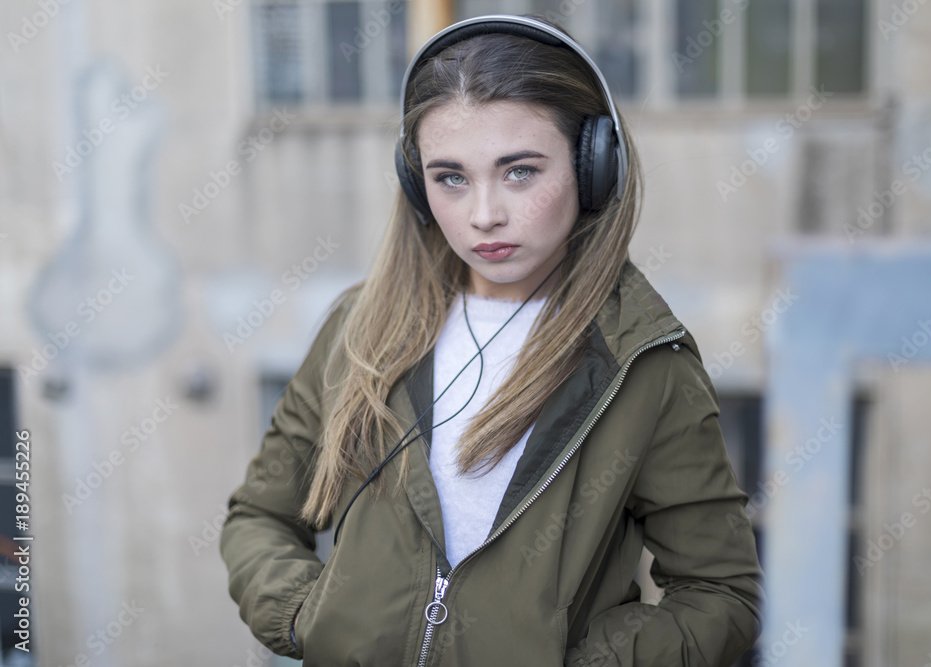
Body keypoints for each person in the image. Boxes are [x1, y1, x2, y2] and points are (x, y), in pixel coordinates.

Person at [221, 14, 763, 667]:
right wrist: (309, 617)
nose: (484, 215)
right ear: (414, 184)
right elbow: (259, 514)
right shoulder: (357, 331)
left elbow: (720, 594)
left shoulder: (645, 365)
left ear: (593, 167)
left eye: (520, 172)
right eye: (450, 177)